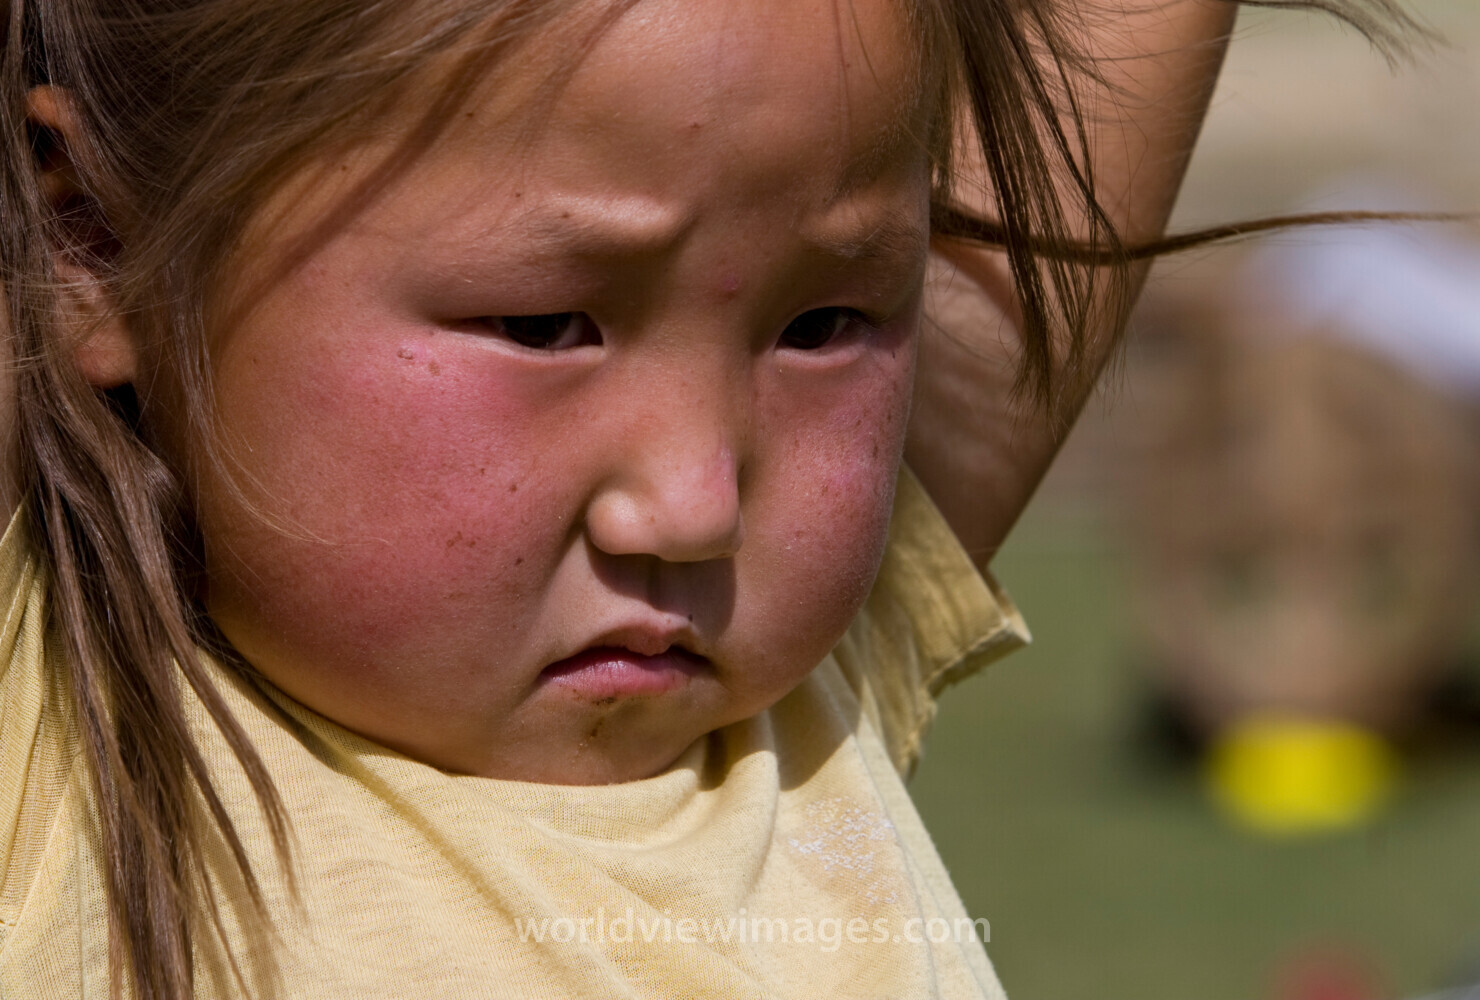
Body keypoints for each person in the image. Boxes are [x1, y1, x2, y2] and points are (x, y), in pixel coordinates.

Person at [0, 0, 1403, 996]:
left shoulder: (801, 706)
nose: (695, 505)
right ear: (92, 240)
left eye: (825, 327)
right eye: (550, 325)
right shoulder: (59, 722)